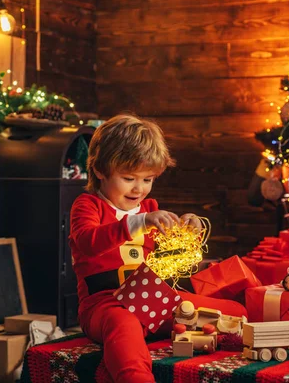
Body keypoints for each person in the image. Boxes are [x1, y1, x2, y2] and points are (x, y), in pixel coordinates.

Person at [69, 113, 247, 382]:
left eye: (148, 179)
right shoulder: (88, 205)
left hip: (151, 299)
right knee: (124, 325)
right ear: (99, 170)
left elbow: (172, 257)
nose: (139, 189)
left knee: (236, 312)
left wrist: (191, 229)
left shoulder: (149, 209)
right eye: (129, 178)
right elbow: (87, 242)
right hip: (105, 305)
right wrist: (137, 222)